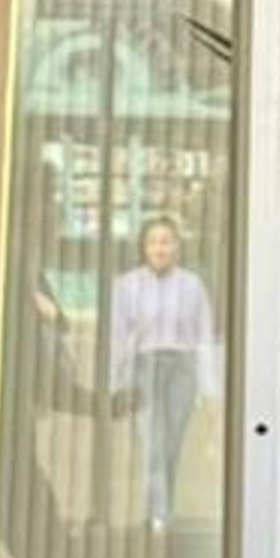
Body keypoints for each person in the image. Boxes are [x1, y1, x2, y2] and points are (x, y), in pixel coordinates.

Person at [106, 209, 219, 526]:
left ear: (177, 247)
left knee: (172, 444)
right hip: (145, 368)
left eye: (166, 242)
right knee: (152, 440)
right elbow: (118, 337)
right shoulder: (127, 286)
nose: (160, 248)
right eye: (154, 242)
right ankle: (160, 513)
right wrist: (115, 384)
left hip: (181, 370)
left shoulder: (193, 286)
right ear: (144, 247)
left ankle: (160, 507)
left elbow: (203, 339)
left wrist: (210, 389)